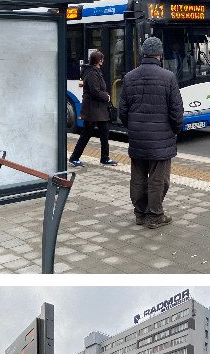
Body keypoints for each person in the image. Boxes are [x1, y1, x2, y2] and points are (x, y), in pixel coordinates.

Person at [119, 36, 184, 229]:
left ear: (143, 54)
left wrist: (134, 127)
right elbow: (176, 111)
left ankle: (140, 214)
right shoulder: (168, 77)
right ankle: (155, 215)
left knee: (138, 178)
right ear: (160, 55)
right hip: (161, 139)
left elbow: (122, 111)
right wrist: (174, 130)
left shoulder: (129, 77)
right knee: (159, 180)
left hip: (138, 138)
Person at [68, 50, 118, 167]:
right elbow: (95, 91)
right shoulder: (92, 73)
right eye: (102, 59)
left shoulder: (95, 71)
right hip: (92, 109)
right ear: (99, 61)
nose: (103, 61)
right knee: (87, 133)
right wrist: (107, 96)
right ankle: (74, 157)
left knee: (103, 132)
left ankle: (104, 158)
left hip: (98, 109)